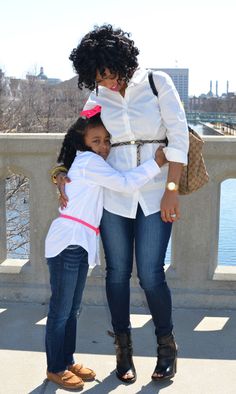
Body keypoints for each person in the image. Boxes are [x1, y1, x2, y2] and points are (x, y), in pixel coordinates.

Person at [53, 24, 189, 384]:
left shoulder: (157, 83)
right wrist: (62, 169)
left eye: (109, 75)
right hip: (114, 196)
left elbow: (178, 139)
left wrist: (172, 190)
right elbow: (77, 135)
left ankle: (166, 347)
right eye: (98, 78)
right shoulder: (99, 93)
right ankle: (123, 352)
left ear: (122, 62)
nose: (106, 83)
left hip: (156, 190)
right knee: (115, 275)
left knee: (150, 273)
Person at [46, 109, 167, 390]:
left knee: (72, 310)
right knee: (61, 311)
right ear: (83, 142)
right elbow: (125, 184)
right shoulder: (89, 161)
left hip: (78, 242)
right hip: (69, 242)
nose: (103, 147)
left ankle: (67, 360)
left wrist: (59, 172)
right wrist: (156, 162)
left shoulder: (87, 162)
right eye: (96, 140)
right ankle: (55, 368)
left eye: (107, 141)